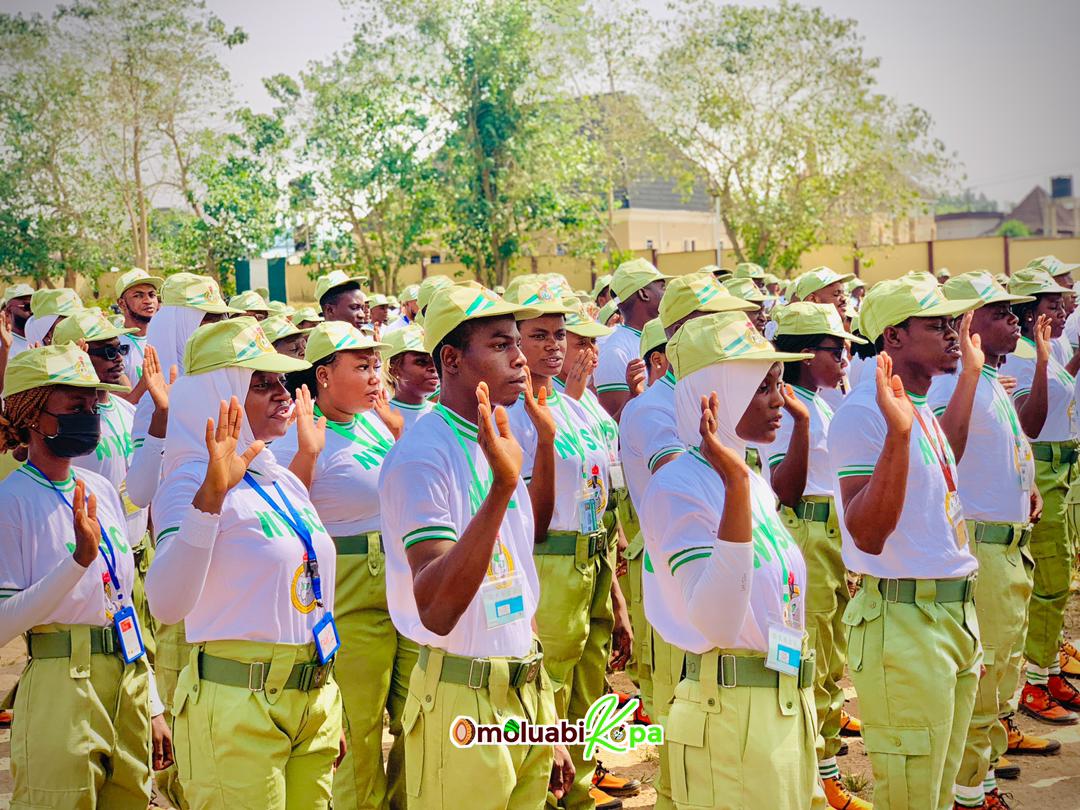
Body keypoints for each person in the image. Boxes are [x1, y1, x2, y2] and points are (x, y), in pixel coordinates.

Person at [379, 284, 574, 809]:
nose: (521, 359)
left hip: (523, 691)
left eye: (518, 343)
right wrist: (502, 487)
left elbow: (516, 579)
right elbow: (437, 609)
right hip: (463, 699)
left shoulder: (494, 438)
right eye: (501, 345)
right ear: (451, 360)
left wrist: (547, 721)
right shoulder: (423, 455)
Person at [145, 317, 343, 808]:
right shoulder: (188, 481)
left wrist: (322, 693)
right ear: (220, 397)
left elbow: (311, 591)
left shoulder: (280, 478)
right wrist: (211, 496)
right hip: (239, 704)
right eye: (261, 383)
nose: (282, 393)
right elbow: (166, 603)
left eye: (280, 380)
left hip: (310, 696)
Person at [640, 311, 822, 809]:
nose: (779, 400)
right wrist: (737, 485)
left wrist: (742, 481)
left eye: (778, 383)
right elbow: (718, 621)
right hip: (732, 718)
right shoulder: (680, 487)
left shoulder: (751, 480)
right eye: (762, 387)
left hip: (782, 703)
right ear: (714, 396)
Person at [829, 275, 983, 810]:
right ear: (893, 336)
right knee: (913, 796)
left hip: (948, 615)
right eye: (936, 324)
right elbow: (867, 535)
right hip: (905, 620)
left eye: (951, 323)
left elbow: (945, 459)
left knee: (936, 793)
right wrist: (897, 435)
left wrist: (970, 375)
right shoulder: (864, 413)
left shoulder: (916, 403)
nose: (952, 333)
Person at [0, 343, 170, 809]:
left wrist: (152, 703)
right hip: (61, 682)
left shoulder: (98, 489)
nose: (91, 416)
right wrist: (77, 562)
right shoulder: (11, 502)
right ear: (33, 414)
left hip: (127, 676)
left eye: (93, 405)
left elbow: (121, 601)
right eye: (76, 406)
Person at [502, 278, 636, 810]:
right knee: (546, 693)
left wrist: (616, 596)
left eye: (559, 334)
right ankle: (543, 795)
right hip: (549, 565)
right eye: (538, 335)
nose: (554, 345)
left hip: (591, 562)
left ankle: (577, 794)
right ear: (514, 340)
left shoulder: (572, 404)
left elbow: (597, 498)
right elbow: (527, 519)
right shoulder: (512, 411)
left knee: (584, 692)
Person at [274, 320, 415, 810]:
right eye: (362, 367)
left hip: (399, 581)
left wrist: (399, 434)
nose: (376, 376)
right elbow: (285, 517)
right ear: (324, 376)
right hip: (348, 589)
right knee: (358, 724)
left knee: (415, 712)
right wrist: (307, 454)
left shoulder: (375, 421)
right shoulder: (299, 433)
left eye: (377, 365)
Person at [927, 272, 1054, 809]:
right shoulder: (953, 383)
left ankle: (980, 783)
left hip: (1008, 544)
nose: (1014, 321)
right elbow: (942, 459)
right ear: (966, 322)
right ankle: (970, 794)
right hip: (983, 547)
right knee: (984, 676)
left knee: (1002, 670)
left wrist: (1026, 487)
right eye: (1000, 313)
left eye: (1013, 312)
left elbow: (1008, 447)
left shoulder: (989, 381)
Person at [766, 302, 869, 810]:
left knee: (830, 650)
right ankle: (818, 774)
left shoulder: (822, 400)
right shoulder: (789, 406)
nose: (846, 358)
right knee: (810, 651)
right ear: (806, 356)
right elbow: (784, 487)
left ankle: (819, 764)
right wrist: (802, 427)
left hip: (827, 532)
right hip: (804, 527)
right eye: (835, 350)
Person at [54, 309, 173, 659]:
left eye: (119, 349)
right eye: (105, 352)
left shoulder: (127, 412)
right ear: (77, 354)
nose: (117, 359)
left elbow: (143, 485)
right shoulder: (70, 427)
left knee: (145, 653)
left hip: (137, 554)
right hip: (94, 561)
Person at [1001, 267, 1080, 719]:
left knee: (1059, 573)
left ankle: (1048, 670)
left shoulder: (1041, 348)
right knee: (1049, 578)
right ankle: (1034, 683)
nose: (1064, 309)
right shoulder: (1021, 356)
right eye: (1053, 304)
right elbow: (1027, 423)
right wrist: (1047, 361)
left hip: (1060, 464)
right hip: (1042, 468)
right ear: (1031, 313)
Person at [595, 258, 669, 421]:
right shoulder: (616, 351)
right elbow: (615, 427)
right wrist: (634, 395)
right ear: (643, 294)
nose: (667, 293)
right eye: (662, 287)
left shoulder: (664, 337)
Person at [382, 323, 438, 432]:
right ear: (394, 369)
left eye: (435, 360)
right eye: (421, 361)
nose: (433, 368)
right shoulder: (377, 417)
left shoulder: (442, 414)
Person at [114, 268, 164, 386]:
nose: (148, 301)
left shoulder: (166, 338)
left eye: (152, 295)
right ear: (122, 303)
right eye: (138, 295)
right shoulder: (114, 345)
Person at [3, 283, 34, 358]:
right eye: (27, 305)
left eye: (34, 305)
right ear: (8, 309)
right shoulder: (3, 343)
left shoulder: (46, 338)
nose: (32, 310)